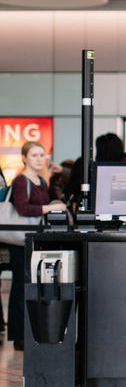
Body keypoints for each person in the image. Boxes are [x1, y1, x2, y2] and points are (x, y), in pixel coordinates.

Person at [7, 141, 67, 350]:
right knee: (20, 287)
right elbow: (23, 208)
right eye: (34, 155)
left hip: (35, 238)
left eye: (42, 155)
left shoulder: (41, 180)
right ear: (24, 157)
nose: (39, 159)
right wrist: (47, 208)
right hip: (20, 240)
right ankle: (18, 335)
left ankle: (30, 331)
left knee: (31, 285)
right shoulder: (21, 181)